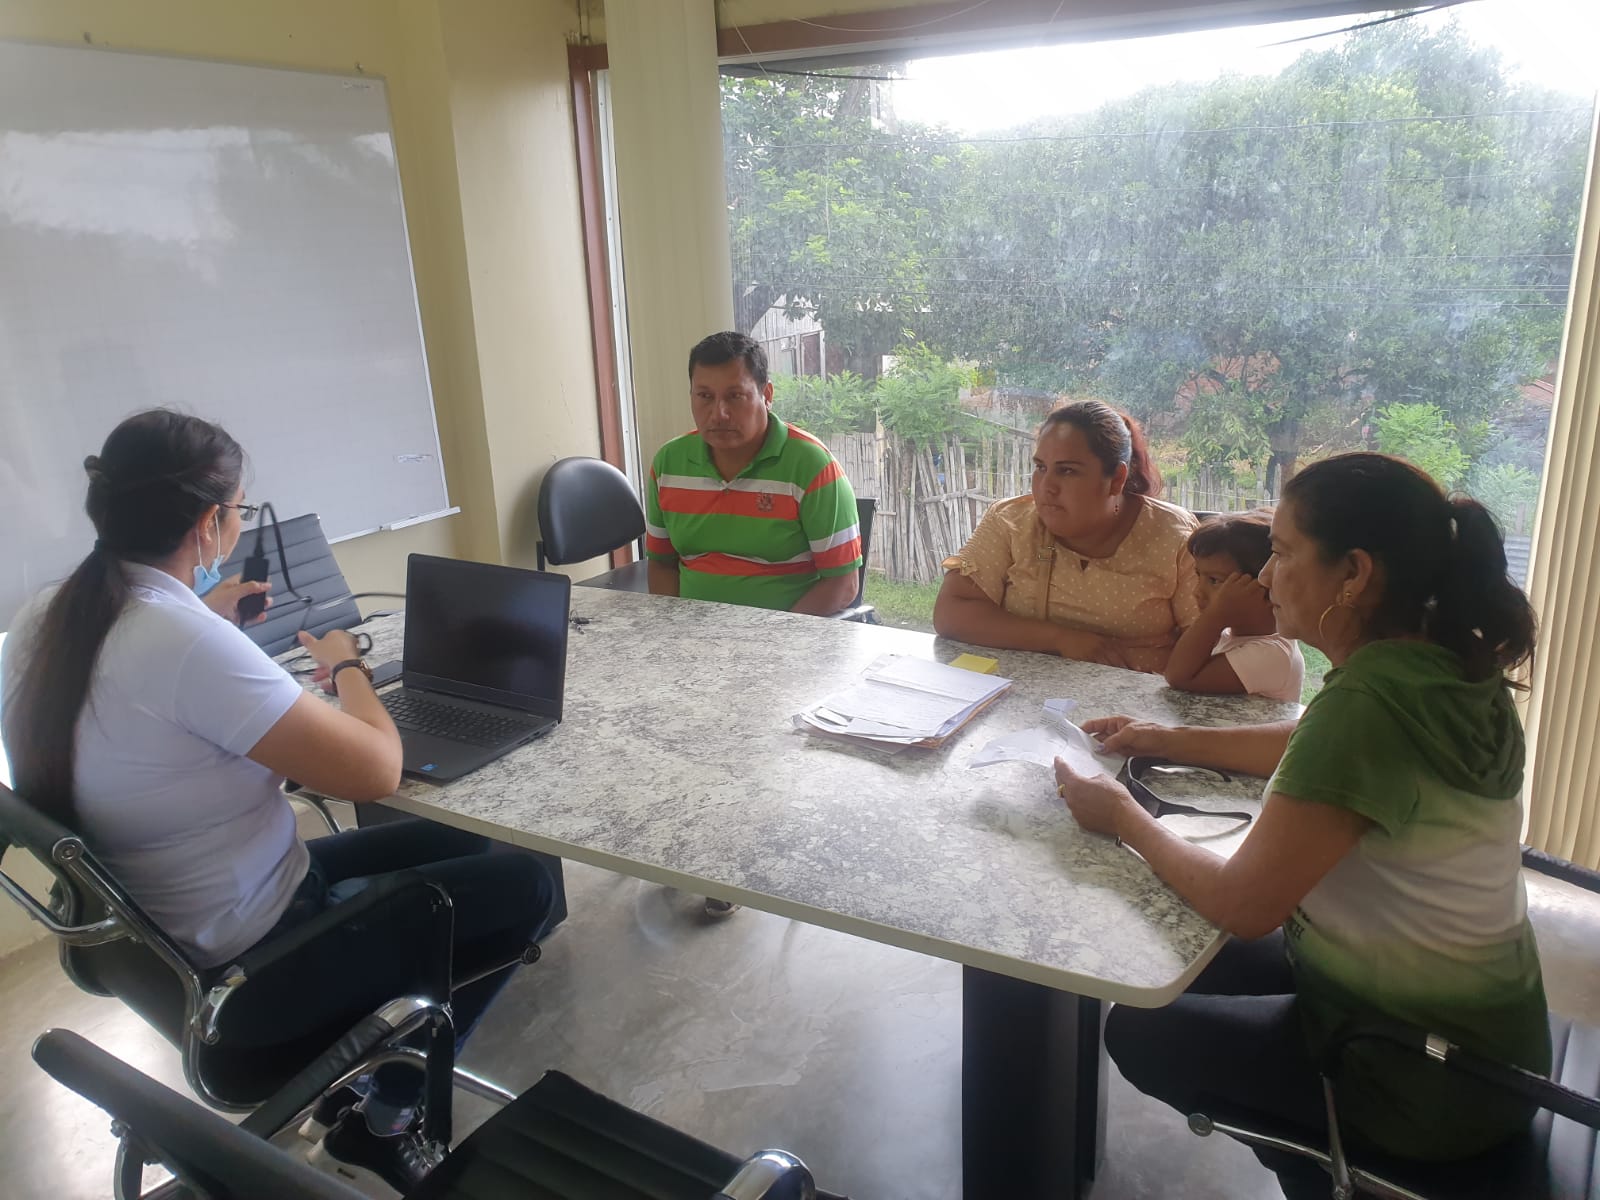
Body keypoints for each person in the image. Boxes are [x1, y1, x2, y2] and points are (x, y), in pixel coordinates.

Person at [0, 410, 556, 1194]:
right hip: (253, 974)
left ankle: (372, 1065)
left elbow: (146, 692)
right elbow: (376, 770)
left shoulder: (50, 616)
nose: (238, 524)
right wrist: (348, 665)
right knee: (525, 884)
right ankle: (383, 1117)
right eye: (239, 510)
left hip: (168, 938)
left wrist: (205, 615)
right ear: (208, 524)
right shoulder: (180, 644)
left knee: (463, 845)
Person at [1052, 453, 1546, 1198]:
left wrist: (1121, 815)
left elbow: (1246, 906)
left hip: (1418, 1077)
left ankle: (1328, 1166)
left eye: (1282, 553)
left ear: (1353, 574)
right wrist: (1162, 738)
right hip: (1493, 1048)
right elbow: (1313, 744)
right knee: (1171, 950)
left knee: (1142, 1032)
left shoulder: (1369, 705)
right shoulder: (1440, 663)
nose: (1265, 576)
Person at [933, 399, 1200, 673]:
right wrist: (1060, 639)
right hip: (1021, 693)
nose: (1046, 487)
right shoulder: (1011, 522)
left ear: (1116, 479)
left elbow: (1210, 641)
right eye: (1041, 467)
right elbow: (952, 612)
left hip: (1139, 696)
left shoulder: (1173, 536)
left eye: (1068, 471)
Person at [645, 331, 863, 617]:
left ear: (767, 395)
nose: (719, 413)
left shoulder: (811, 466)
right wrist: (673, 626)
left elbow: (843, 584)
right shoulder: (668, 464)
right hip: (692, 634)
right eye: (705, 396)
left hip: (786, 636)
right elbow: (661, 564)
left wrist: (772, 636)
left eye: (735, 396)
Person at [1163, 509, 1305, 702]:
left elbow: (1179, 676)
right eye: (1198, 575)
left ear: (1264, 583)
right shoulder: (1229, 635)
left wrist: (1214, 617)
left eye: (1214, 580)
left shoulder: (1272, 654)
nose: (1197, 592)